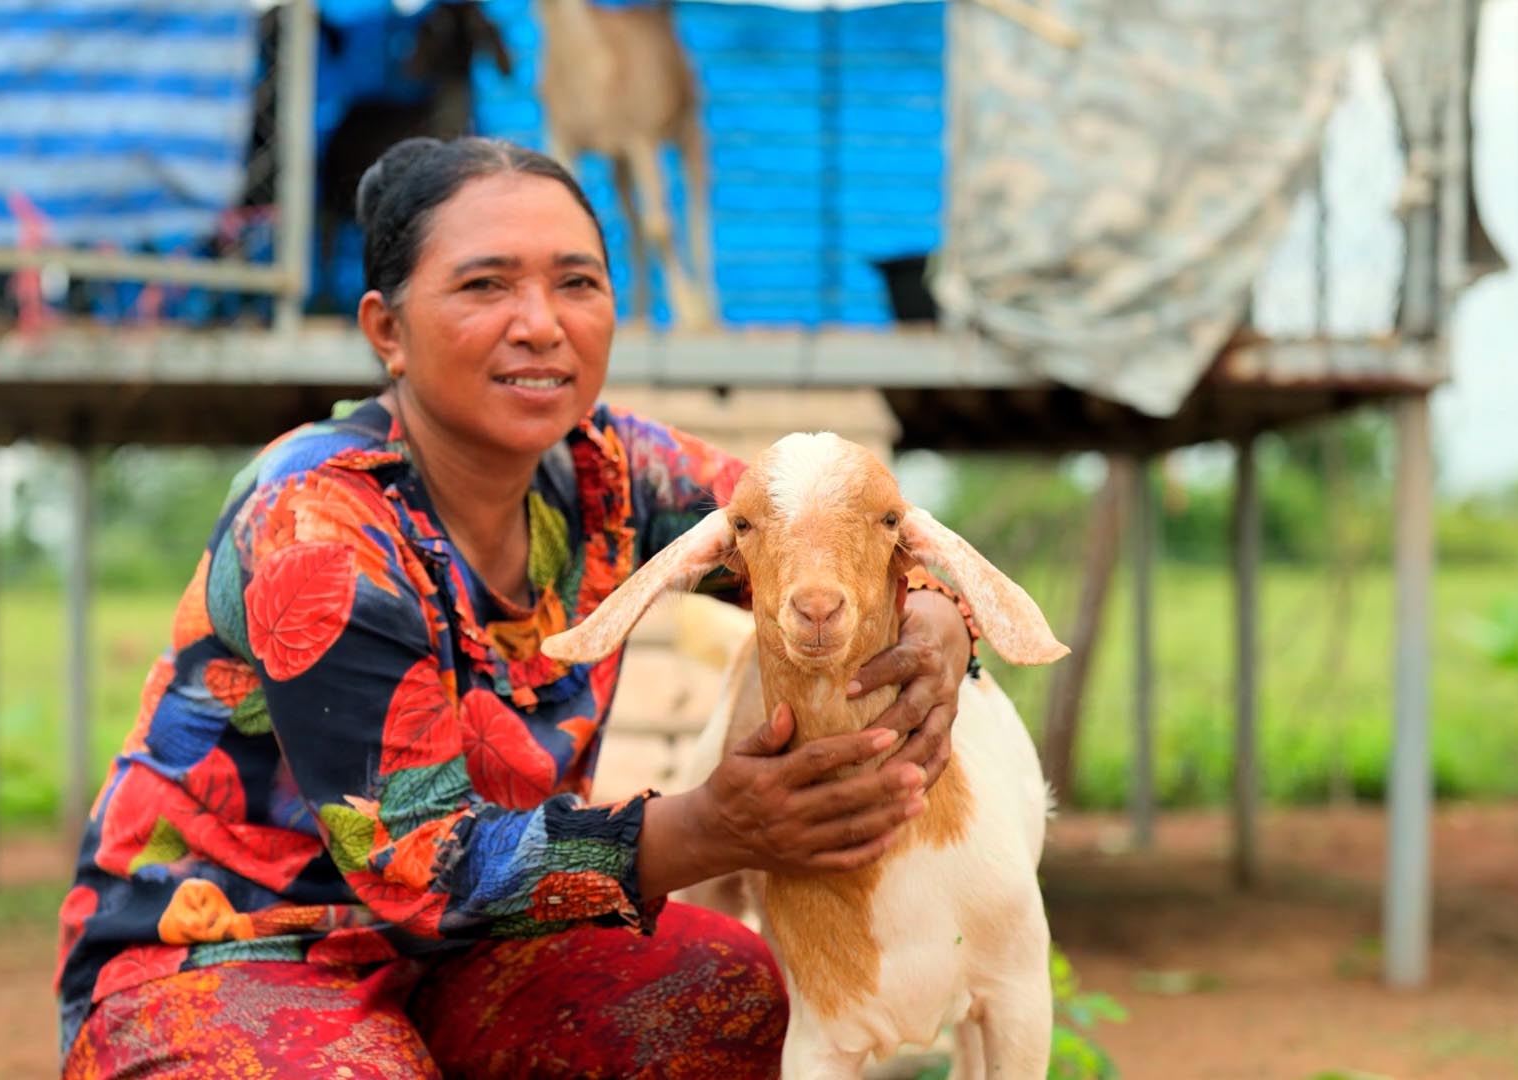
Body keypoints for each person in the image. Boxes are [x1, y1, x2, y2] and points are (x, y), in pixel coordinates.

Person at [54, 136, 977, 1079]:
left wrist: (939, 613)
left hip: (467, 955)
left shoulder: (616, 470)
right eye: (485, 286)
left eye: (576, 283)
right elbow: (425, 866)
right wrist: (711, 829)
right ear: (386, 330)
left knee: (717, 988)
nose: (540, 323)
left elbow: (831, 529)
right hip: (228, 947)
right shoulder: (318, 525)